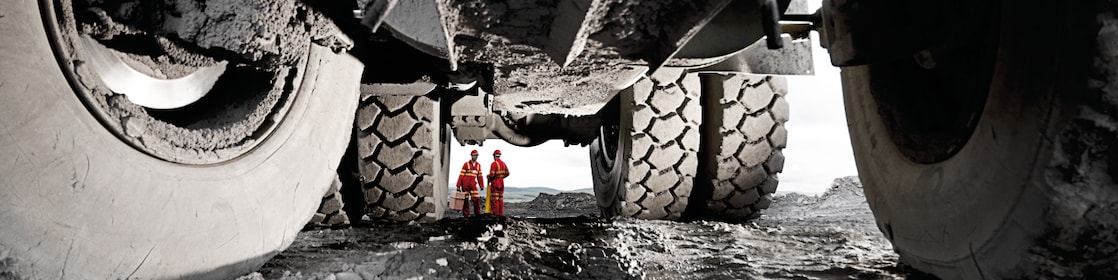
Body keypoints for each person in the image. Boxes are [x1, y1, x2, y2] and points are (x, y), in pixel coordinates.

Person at [455, 150, 485, 217]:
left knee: (476, 199)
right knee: (465, 200)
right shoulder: (466, 164)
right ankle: (466, 215)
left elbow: (480, 176)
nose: (476, 156)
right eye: (474, 155)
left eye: (477, 155)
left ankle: (477, 215)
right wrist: (458, 185)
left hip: (473, 185)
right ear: (471, 156)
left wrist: (481, 185)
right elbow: (461, 175)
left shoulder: (478, 165)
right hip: (465, 185)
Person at [487, 149, 510, 216]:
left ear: (494, 156)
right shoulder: (503, 163)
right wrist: (501, 177)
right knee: (500, 200)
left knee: (495, 200)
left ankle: (496, 215)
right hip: (501, 182)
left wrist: (488, 176)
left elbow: (492, 174)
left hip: (495, 182)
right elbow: (508, 173)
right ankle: (501, 215)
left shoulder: (493, 164)